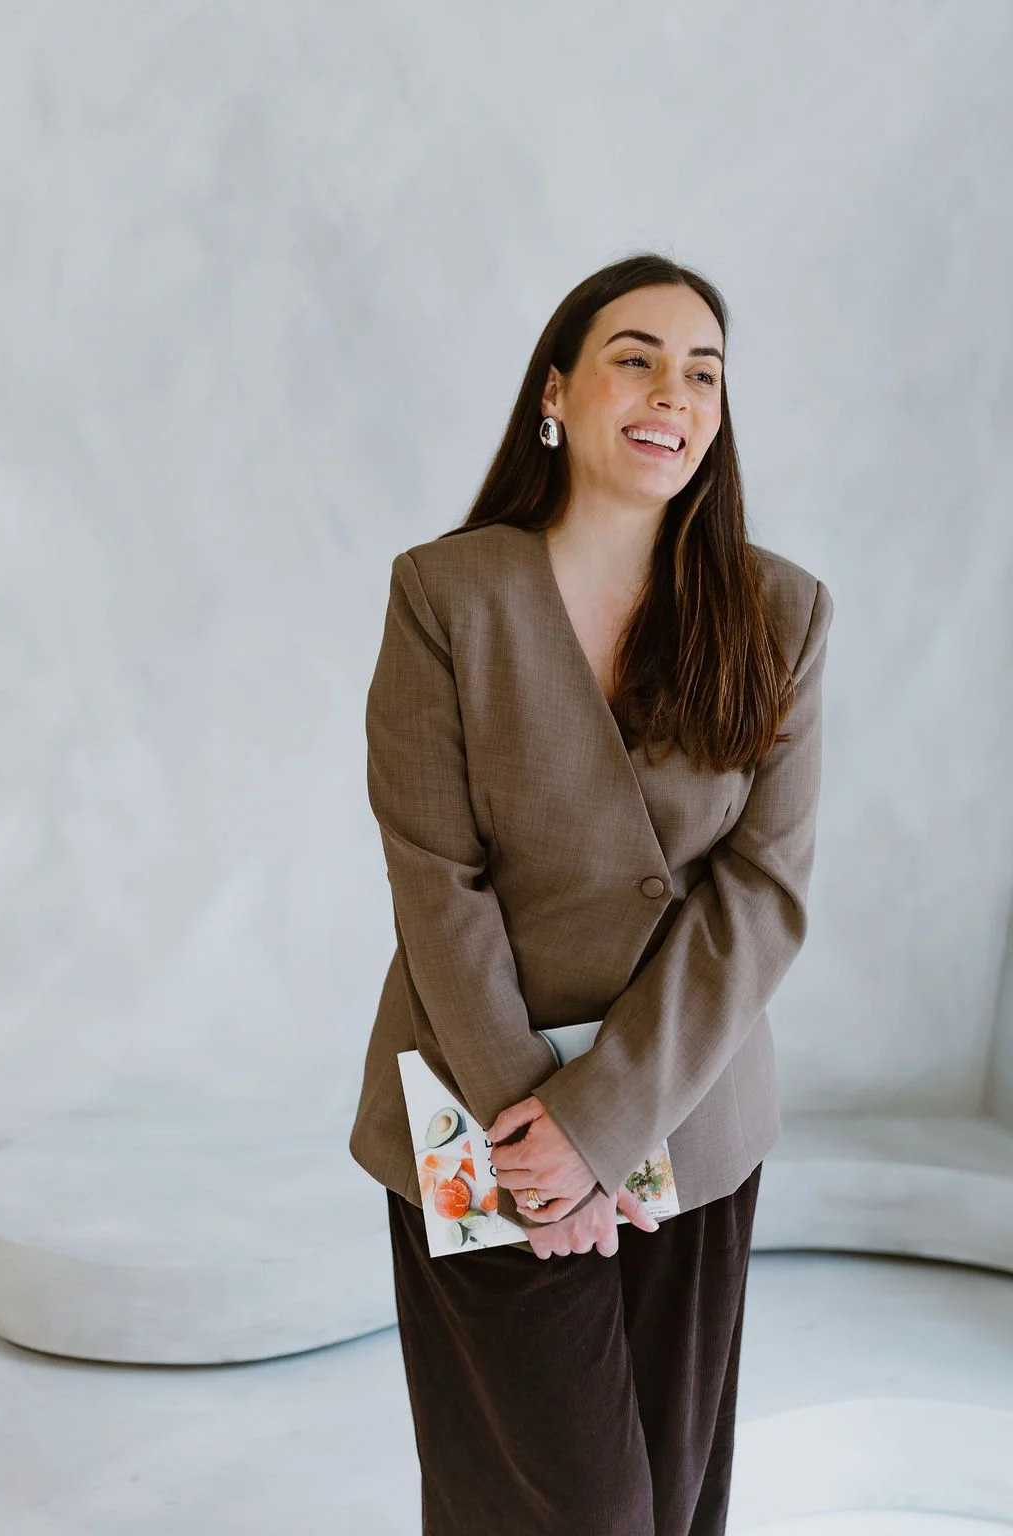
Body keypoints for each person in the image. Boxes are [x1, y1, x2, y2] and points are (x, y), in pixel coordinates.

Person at [349, 251, 834, 1535]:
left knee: (668, 1507)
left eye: (703, 372)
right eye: (636, 356)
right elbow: (431, 874)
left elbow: (763, 894)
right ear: (557, 391)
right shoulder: (445, 593)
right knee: (552, 1504)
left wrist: (604, 1121)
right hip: (476, 1118)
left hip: (691, 1120)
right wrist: (540, 1136)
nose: (672, 391)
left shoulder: (778, 614)